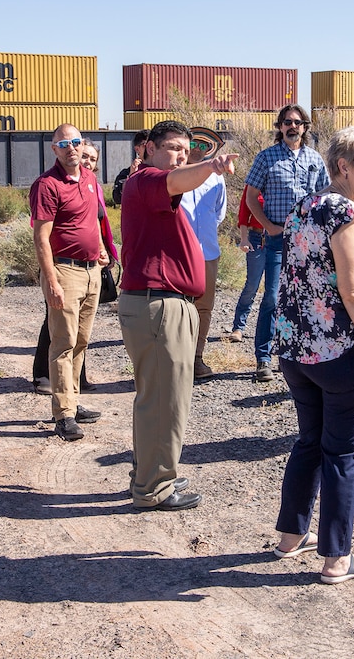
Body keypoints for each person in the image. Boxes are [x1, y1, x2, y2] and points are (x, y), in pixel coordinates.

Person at [271, 126, 354, 584]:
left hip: (297, 350)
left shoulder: (304, 207)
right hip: (340, 352)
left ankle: (291, 536)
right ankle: (336, 558)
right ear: (344, 167)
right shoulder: (343, 212)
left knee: (310, 441)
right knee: (343, 452)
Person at [118, 120, 238, 511]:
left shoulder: (155, 184)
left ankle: (152, 472)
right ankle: (153, 487)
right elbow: (177, 181)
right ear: (148, 148)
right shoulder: (147, 180)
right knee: (163, 402)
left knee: (162, 398)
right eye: (172, 148)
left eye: (185, 151)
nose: (180, 156)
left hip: (167, 304)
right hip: (159, 305)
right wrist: (211, 166)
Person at [28, 124, 110, 441]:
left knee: (81, 342)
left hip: (91, 272)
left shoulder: (89, 180)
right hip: (65, 272)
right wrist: (50, 279)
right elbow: (41, 238)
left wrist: (101, 249)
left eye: (76, 142)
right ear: (54, 149)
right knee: (62, 344)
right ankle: (63, 415)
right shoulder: (47, 185)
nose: (71, 148)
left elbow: (91, 221)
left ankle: (72, 403)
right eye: (64, 143)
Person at [244, 104, 328, 381]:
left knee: (304, 298)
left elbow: (325, 195)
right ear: (279, 127)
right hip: (278, 241)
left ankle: (294, 357)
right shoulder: (266, 158)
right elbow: (250, 196)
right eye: (287, 122)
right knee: (272, 297)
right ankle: (263, 358)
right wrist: (268, 226)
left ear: (305, 127)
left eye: (297, 122)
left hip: (308, 242)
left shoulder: (315, 159)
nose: (292, 127)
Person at [180, 126, 227, 379]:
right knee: (179, 307)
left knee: (204, 308)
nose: (198, 151)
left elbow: (218, 214)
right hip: (181, 253)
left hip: (208, 251)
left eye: (203, 147)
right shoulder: (174, 175)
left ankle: (197, 358)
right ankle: (178, 359)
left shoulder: (216, 178)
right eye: (194, 145)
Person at [225, 184, 264, 343]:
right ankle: (238, 327)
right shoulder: (254, 185)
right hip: (256, 238)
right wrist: (244, 238)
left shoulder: (283, 183)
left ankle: (272, 330)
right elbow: (243, 213)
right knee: (252, 285)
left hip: (279, 239)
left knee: (276, 290)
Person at [111, 129, 149, 205]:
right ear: (137, 149)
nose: (151, 148)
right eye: (146, 145)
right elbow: (117, 199)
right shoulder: (126, 173)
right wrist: (131, 176)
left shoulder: (161, 169)